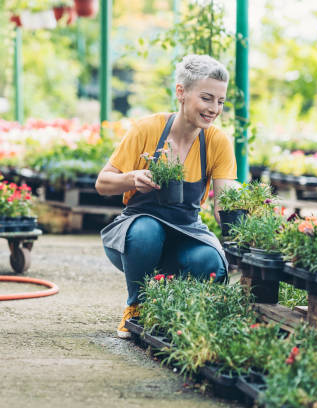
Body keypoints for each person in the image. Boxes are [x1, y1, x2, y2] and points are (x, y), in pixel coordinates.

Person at [95, 54, 240, 339]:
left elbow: (226, 201)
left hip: (186, 233)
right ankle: (137, 305)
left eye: (220, 102)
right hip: (135, 237)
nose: (214, 109)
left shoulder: (217, 141)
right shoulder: (147, 129)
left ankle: (177, 311)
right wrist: (131, 178)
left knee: (211, 261)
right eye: (207, 98)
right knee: (148, 230)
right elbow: (102, 183)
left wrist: (244, 239)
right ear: (181, 92)